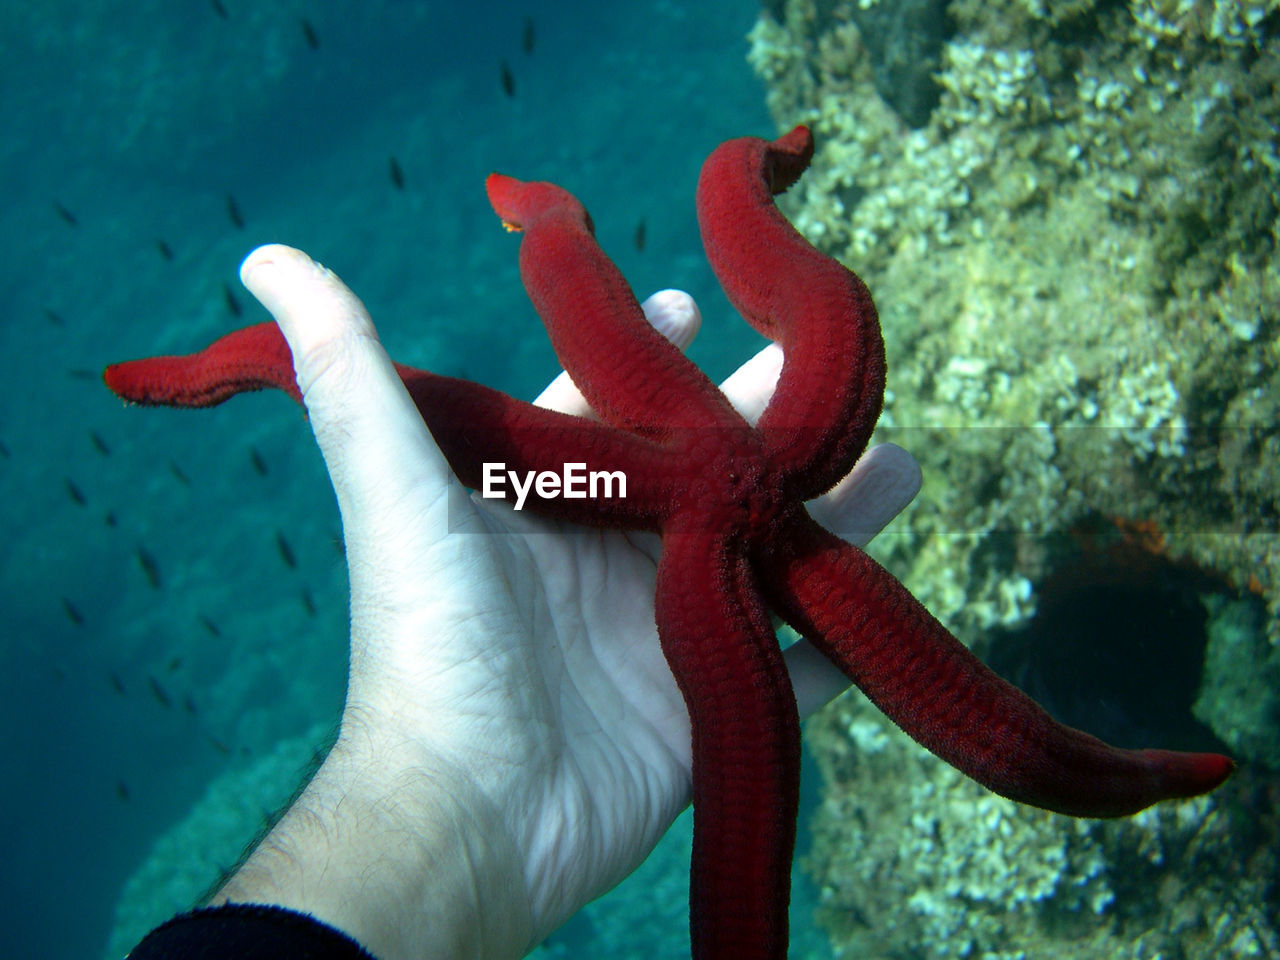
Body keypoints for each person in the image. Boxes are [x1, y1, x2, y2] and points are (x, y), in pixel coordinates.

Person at [128, 246, 922, 960]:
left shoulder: (587, 480)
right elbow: (541, 462)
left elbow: (547, 450)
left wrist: (435, 789)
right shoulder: (581, 482)